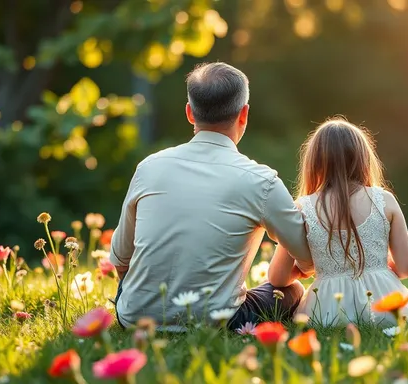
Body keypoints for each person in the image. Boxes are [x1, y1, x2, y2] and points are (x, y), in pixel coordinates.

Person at [110, 62, 314, 331]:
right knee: (292, 291)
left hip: (134, 318)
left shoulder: (149, 167)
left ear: (189, 113)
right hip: (217, 321)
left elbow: (121, 260)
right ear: (244, 115)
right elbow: (307, 260)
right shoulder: (261, 181)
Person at [268, 117, 408, 327]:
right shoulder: (385, 200)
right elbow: (407, 268)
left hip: (328, 313)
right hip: (385, 309)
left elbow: (277, 278)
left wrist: (305, 271)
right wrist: (377, 267)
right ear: (363, 158)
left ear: (314, 162)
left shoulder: (302, 208)